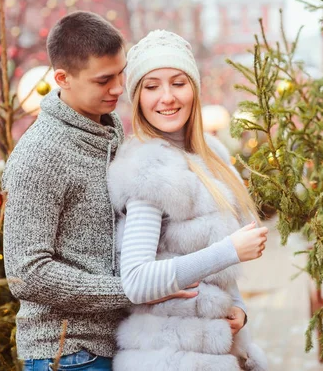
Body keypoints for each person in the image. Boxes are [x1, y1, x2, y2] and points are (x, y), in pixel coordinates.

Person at [2, 12, 266, 371]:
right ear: (62, 78)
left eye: (120, 74)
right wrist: (134, 289)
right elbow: (27, 274)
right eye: (103, 80)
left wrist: (232, 308)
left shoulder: (109, 134)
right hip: (67, 351)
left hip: (116, 343)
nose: (116, 89)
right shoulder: (41, 154)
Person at [107, 30, 269, 370]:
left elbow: (222, 276)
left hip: (213, 352)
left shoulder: (213, 159)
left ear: (194, 88)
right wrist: (230, 251)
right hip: (167, 358)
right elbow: (136, 282)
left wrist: (238, 310)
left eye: (178, 83)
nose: (167, 97)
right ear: (137, 98)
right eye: (152, 87)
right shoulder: (149, 166)